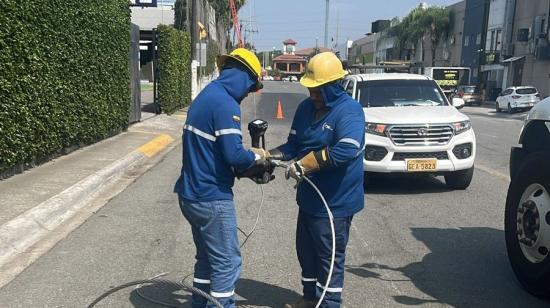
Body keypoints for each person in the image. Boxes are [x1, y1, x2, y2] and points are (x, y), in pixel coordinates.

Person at [174, 48, 269, 308]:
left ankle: (200, 304)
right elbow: (234, 155)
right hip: (211, 198)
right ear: (244, 77)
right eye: (251, 87)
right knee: (227, 262)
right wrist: (256, 157)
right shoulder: (226, 103)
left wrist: (246, 166)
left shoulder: (207, 95)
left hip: (190, 195)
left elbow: (215, 153)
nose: (249, 93)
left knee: (206, 260)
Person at [269, 52, 365, 308]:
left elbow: (347, 149)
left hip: (335, 202)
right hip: (309, 198)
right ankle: (311, 297)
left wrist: (306, 163)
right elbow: (293, 144)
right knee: (306, 252)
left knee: (329, 257)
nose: (313, 95)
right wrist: (269, 156)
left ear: (333, 86)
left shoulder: (350, 111)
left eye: (318, 90)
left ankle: (330, 302)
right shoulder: (305, 109)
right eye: (311, 89)